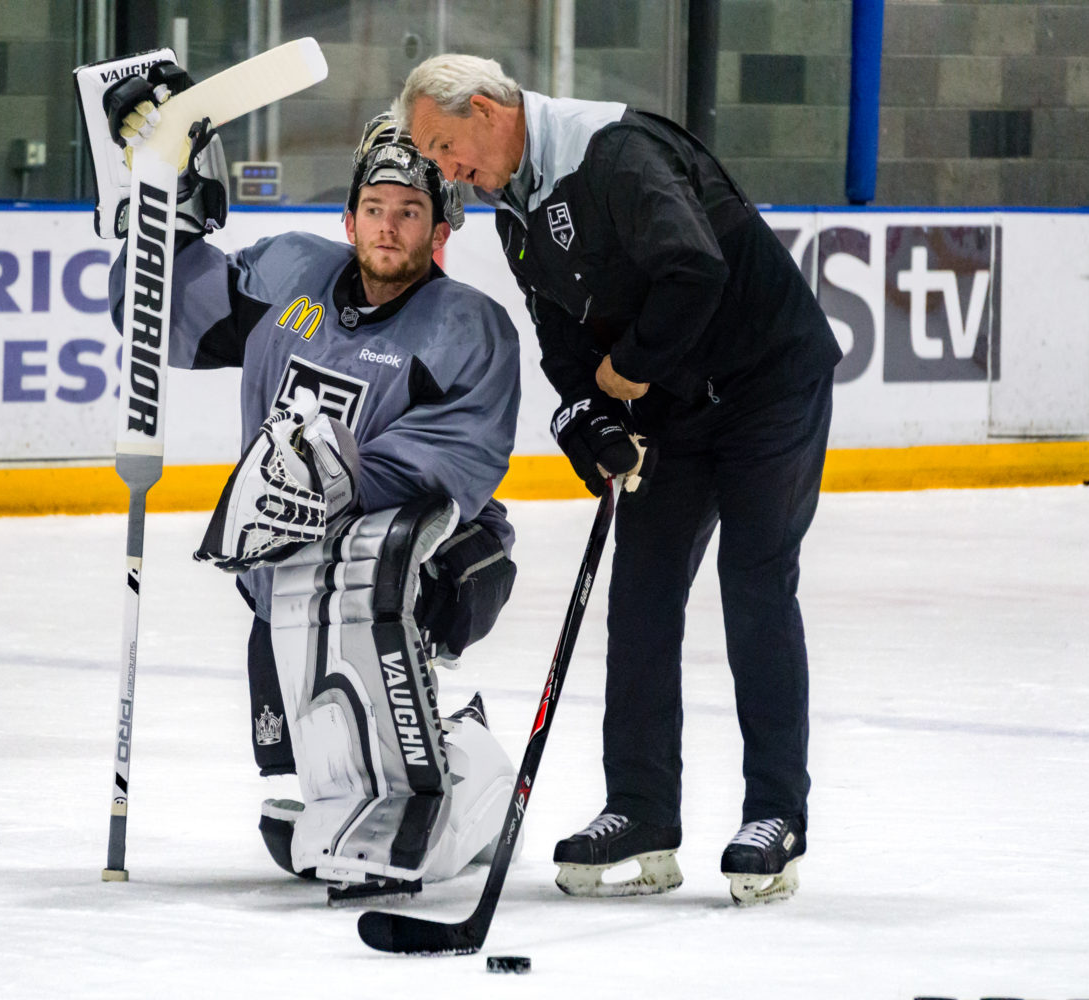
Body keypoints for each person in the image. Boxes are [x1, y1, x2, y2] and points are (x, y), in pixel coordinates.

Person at [394, 54, 841, 905]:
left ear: (489, 110)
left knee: (752, 582)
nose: (446, 171)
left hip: (767, 385)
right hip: (679, 404)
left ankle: (775, 813)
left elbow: (695, 270)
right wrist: (591, 421)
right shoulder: (514, 210)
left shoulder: (612, 152)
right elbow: (562, 341)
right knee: (639, 593)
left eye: (448, 146)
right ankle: (640, 807)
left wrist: (627, 374)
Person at [100, 69, 523, 906]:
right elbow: (154, 313)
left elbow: (457, 460)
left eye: (410, 211)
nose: (389, 226)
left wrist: (320, 469)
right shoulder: (290, 274)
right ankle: (453, 752)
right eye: (375, 208)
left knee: (398, 594)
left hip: (413, 564)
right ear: (348, 217)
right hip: (286, 572)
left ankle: (450, 773)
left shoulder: (467, 325)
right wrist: (168, 202)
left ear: (442, 226)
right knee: (303, 786)